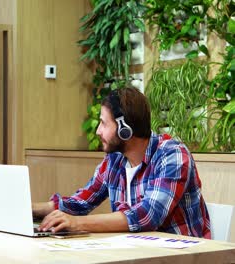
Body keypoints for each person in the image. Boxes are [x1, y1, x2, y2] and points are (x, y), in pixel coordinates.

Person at [33, 87, 211, 238]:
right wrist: (31, 209)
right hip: (138, 253)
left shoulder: (172, 155)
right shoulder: (115, 159)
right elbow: (81, 202)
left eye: (103, 123)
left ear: (125, 130)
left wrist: (77, 223)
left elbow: (148, 215)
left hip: (184, 257)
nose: (97, 131)